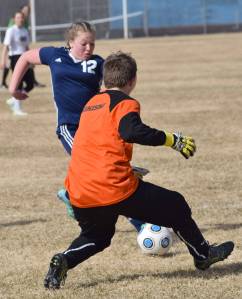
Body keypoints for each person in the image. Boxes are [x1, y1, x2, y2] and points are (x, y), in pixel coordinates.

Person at [43, 51, 234, 290]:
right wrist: (171, 139)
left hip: (80, 190)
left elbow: (98, 145)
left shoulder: (91, 104)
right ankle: (203, 254)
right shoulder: (125, 103)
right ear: (133, 80)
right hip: (111, 188)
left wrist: (127, 168)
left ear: (104, 79)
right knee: (176, 204)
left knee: (97, 237)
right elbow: (132, 131)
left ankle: (63, 260)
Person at [8, 21, 145, 231]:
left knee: (107, 172)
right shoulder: (55, 56)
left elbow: (115, 86)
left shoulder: (98, 63)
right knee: (103, 170)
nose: (89, 49)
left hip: (95, 128)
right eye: (84, 44)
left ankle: (72, 195)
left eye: (92, 44)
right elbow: (26, 57)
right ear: (71, 42)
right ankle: (139, 221)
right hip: (69, 128)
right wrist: (13, 88)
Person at [1, 11, 34, 115]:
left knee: (30, 83)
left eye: (21, 17)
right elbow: (6, 46)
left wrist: (31, 59)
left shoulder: (24, 30)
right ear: (14, 19)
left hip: (25, 57)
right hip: (15, 57)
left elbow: (26, 47)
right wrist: (3, 60)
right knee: (18, 83)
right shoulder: (11, 30)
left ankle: (13, 100)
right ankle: (17, 109)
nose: (20, 19)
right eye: (18, 17)